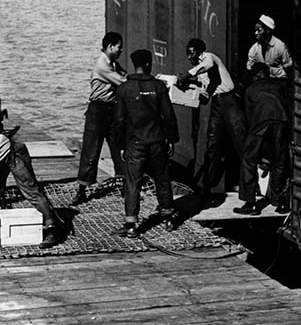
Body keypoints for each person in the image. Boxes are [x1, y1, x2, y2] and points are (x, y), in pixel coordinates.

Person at [112, 49, 179, 237]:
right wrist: (172, 139)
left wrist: (121, 146)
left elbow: (119, 120)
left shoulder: (124, 88)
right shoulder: (159, 86)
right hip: (157, 141)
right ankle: (168, 219)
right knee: (162, 178)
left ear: (135, 65)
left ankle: (131, 225)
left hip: (135, 143)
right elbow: (169, 116)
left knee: (133, 182)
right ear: (149, 64)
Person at [181, 38, 246, 205]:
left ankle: (250, 187)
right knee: (212, 145)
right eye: (187, 53)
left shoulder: (209, 58)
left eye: (192, 52)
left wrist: (188, 74)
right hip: (217, 104)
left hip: (229, 101)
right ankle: (208, 187)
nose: (189, 56)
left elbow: (207, 65)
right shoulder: (201, 74)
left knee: (240, 141)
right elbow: (204, 97)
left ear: (200, 52)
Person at [70, 31, 127, 205]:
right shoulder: (103, 65)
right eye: (119, 47)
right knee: (91, 149)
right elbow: (124, 82)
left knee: (119, 146)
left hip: (112, 109)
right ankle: (82, 190)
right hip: (98, 111)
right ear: (110, 46)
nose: (121, 50)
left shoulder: (113, 64)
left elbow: (126, 76)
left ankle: (125, 184)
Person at [234, 62, 291, 215]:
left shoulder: (250, 90)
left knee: (248, 159)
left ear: (257, 76)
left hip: (260, 121)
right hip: (282, 121)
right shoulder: (279, 86)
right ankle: (279, 201)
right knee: (279, 161)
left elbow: (249, 118)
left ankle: (250, 203)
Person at [246, 15, 293, 80]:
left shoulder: (280, 46)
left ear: (267, 30)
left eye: (259, 30)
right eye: (255, 30)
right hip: (261, 82)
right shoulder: (254, 48)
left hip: (278, 81)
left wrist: (270, 71)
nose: (256, 33)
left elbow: (288, 69)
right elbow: (249, 68)